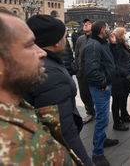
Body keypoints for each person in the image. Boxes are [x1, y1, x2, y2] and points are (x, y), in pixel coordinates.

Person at [0, 9, 82, 165]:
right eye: (30, 45)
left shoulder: (18, 113)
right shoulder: (16, 150)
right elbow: (66, 134)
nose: (41, 52)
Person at [26, 14, 92, 166]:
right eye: (64, 36)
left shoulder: (36, 63)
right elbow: (63, 131)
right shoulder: (51, 74)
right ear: (55, 42)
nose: (66, 40)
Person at [82, 21, 119, 166]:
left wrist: (114, 44)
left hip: (104, 85)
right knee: (102, 119)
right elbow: (91, 70)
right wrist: (102, 84)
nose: (110, 29)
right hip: (100, 87)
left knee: (103, 116)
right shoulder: (93, 45)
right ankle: (97, 153)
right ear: (103, 30)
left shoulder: (102, 42)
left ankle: (102, 140)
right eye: (108, 27)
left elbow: (111, 61)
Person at [110, 27, 130, 131]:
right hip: (118, 78)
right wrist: (124, 72)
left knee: (124, 97)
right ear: (120, 36)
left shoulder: (124, 45)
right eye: (124, 33)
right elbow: (115, 61)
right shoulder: (114, 46)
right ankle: (117, 122)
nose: (126, 34)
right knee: (117, 100)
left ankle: (124, 114)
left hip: (126, 77)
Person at [74, 18, 96, 124]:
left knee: (96, 94)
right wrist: (77, 68)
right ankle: (90, 112)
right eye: (84, 24)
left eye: (88, 24)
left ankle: (97, 112)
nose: (85, 25)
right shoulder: (80, 39)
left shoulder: (97, 39)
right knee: (84, 94)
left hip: (94, 72)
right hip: (81, 72)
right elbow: (76, 54)